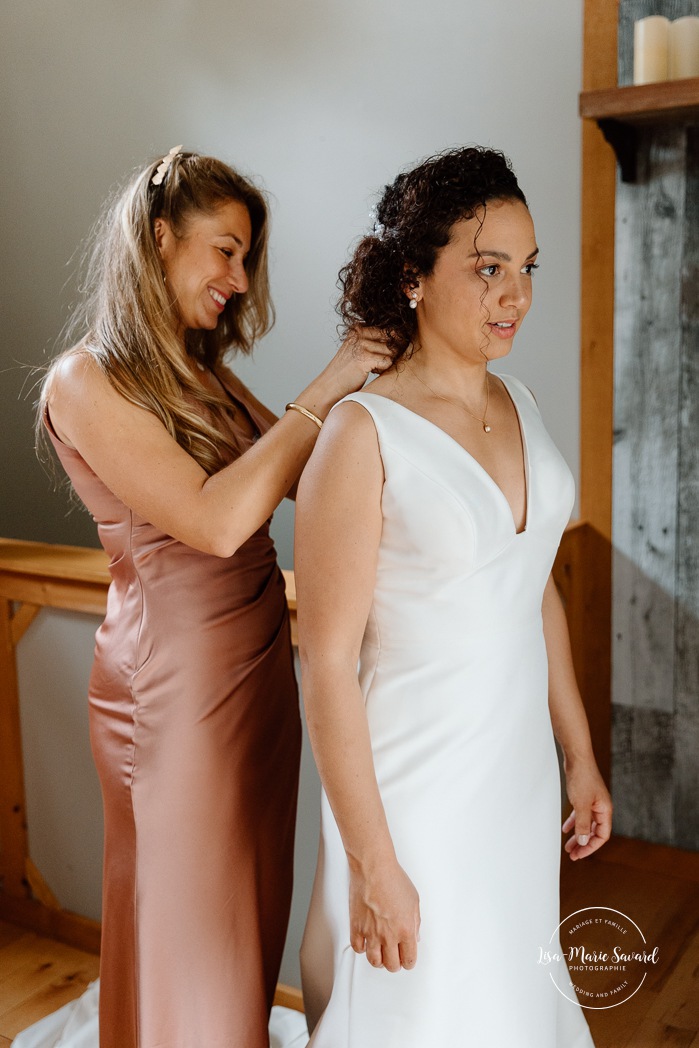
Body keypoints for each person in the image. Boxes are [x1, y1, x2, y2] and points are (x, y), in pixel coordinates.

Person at [37, 147, 391, 1048]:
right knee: (182, 921)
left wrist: (394, 381)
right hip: (171, 694)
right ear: (160, 239)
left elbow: (304, 479)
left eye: (246, 259)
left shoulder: (208, 375)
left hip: (257, 672)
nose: (239, 279)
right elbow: (216, 520)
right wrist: (333, 375)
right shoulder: (84, 381)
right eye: (224, 251)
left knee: (246, 907)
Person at [295, 146, 612, 1046]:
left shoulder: (523, 402)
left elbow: (533, 587)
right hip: (411, 786)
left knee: (507, 994)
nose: (514, 295)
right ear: (412, 277)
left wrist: (577, 751)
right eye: (485, 269)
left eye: (525, 269)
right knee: (423, 1007)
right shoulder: (361, 437)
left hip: (512, 773)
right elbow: (322, 663)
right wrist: (371, 861)